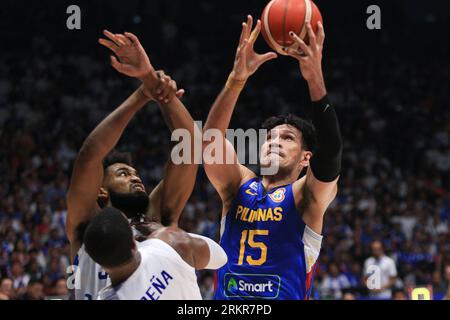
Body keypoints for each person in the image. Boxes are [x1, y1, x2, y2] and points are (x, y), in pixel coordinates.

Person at [203, 15, 342, 299]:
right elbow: (210, 145)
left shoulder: (306, 197)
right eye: (269, 138)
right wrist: (236, 80)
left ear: (306, 159)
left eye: (287, 138)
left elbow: (330, 151)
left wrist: (314, 77)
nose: (274, 142)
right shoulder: (238, 186)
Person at [66, 30, 208, 300]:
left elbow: (189, 146)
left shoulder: (156, 219)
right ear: (101, 192)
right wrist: (143, 94)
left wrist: (150, 78)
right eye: (122, 173)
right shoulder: (86, 226)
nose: (136, 178)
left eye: (134, 173)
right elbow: (89, 155)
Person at [84, 207, 226, 300]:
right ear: (134, 244)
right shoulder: (170, 241)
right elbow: (220, 258)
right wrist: (167, 231)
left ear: (99, 264)